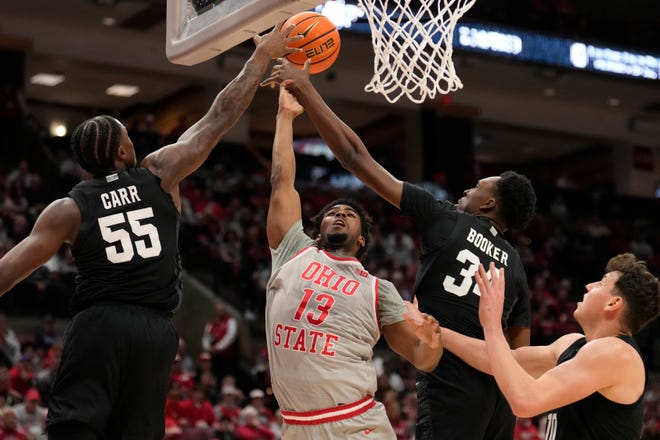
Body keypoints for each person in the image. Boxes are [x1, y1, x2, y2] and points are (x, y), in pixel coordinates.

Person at [0, 23, 302, 439]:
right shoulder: (159, 173)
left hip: (98, 323)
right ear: (123, 150)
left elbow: (9, 271)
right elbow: (220, 115)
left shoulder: (67, 208)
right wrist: (262, 54)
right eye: (128, 136)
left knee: (74, 427)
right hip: (155, 331)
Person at [262, 60, 537, 439]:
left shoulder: (446, 219)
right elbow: (520, 354)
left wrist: (308, 92)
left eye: (475, 188)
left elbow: (356, 157)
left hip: (451, 380)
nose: (465, 192)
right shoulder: (517, 265)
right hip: (500, 397)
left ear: (488, 205)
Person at [265, 85, 442, 439]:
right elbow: (282, 181)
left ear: (361, 239)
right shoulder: (293, 249)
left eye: (349, 213)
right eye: (333, 212)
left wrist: (432, 342)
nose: (340, 214)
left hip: (355, 424)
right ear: (318, 228)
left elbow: (421, 358)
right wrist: (285, 116)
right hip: (296, 426)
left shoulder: (379, 289)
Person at [440, 254, 659, 440]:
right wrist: (437, 332)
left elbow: (525, 400)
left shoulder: (617, 354)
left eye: (601, 283)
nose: (588, 286)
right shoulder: (574, 344)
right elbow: (500, 359)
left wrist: (492, 324)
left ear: (613, 303)